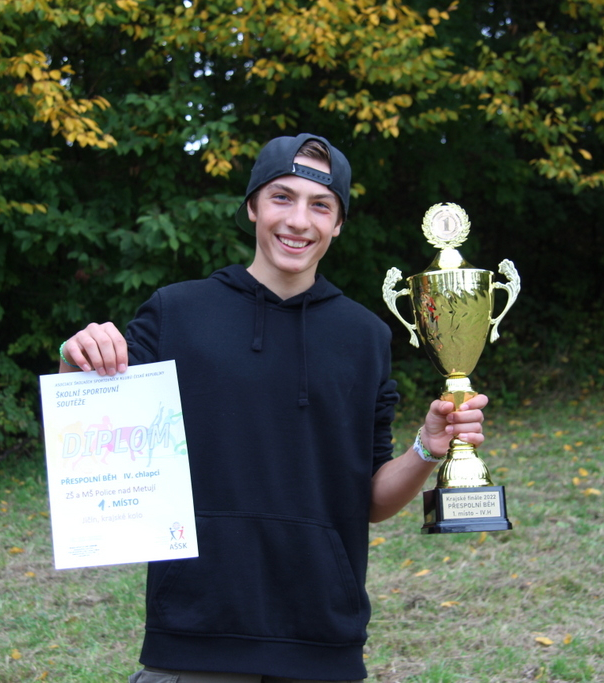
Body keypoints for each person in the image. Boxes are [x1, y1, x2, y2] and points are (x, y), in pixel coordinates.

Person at [58, 133, 489, 683]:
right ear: (253, 207)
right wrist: (77, 358)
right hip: (194, 634)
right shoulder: (177, 313)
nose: (298, 221)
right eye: (282, 197)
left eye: (321, 205)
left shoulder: (364, 337)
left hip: (322, 640)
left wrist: (427, 448)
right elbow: (90, 432)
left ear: (338, 223)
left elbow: (370, 501)